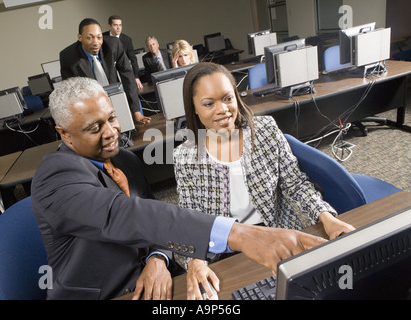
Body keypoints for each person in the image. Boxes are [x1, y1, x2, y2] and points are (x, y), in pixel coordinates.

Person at [31, 76, 328, 300]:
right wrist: (238, 233)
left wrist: (157, 258)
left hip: (156, 283)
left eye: (111, 119)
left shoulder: (124, 160)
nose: (111, 133)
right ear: (65, 134)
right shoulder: (54, 177)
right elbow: (123, 215)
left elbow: (151, 213)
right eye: (95, 128)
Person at [173, 62, 355, 299]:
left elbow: (295, 183)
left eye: (228, 98)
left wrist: (327, 218)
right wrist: (195, 260)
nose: (222, 109)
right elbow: (189, 218)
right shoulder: (185, 156)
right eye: (209, 104)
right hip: (226, 249)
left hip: (276, 234)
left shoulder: (265, 130)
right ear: (194, 108)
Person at [59, 18, 150, 125]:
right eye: (89, 38)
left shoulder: (113, 45)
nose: (96, 43)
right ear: (80, 37)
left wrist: (135, 110)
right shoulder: (68, 56)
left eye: (99, 37)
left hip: (116, 98)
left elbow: (128, 76)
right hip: (90, 106)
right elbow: (71, 92)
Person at [103, 15, 143, 91]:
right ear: (110, 26)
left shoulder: (127, 40)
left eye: (120, 25)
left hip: (123, 69)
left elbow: (133, 59)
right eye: (115, 25)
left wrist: (136, 77)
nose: (118, 28)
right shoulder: (102, 38)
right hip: (109, 72)